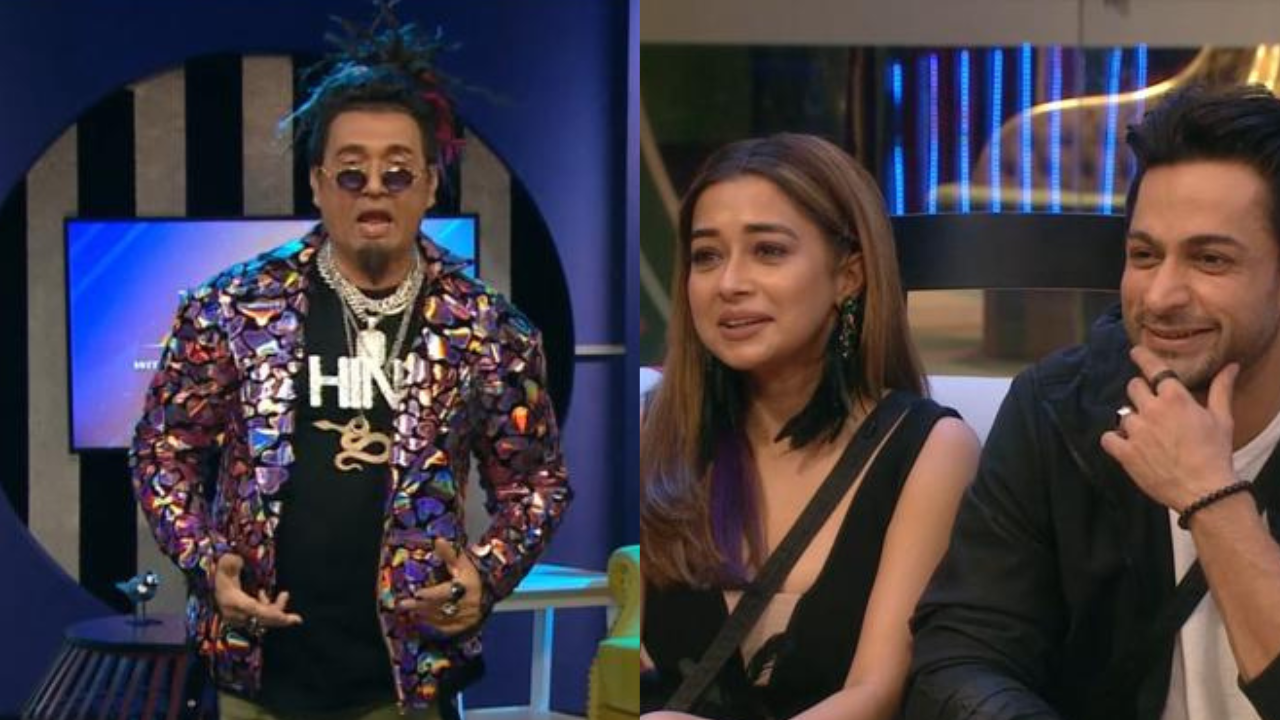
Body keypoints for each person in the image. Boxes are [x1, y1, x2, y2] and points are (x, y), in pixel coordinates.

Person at [129, 12, 571, 720]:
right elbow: (163, 450)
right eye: (351, 170)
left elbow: (537, 483)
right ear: (318, 183)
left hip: (408, 675)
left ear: (430, 184)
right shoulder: (233, 307)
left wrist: (485, 575)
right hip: (256, 670)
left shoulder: (488, 329)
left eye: (397, 172)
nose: (373, 188)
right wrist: (207, 562)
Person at [906, 84, 1280, 720]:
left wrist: (1210, 495)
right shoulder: (1058, 409)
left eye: (1210, 259)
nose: (1160, 296)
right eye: (1144, 255)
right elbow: (960, 658)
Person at [640, 133, 979, 720]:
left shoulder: (929, 450)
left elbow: (875, 693)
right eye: (707, 256)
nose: (729, 283)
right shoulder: (651, 432)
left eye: (768, 251)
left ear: (849, 275)